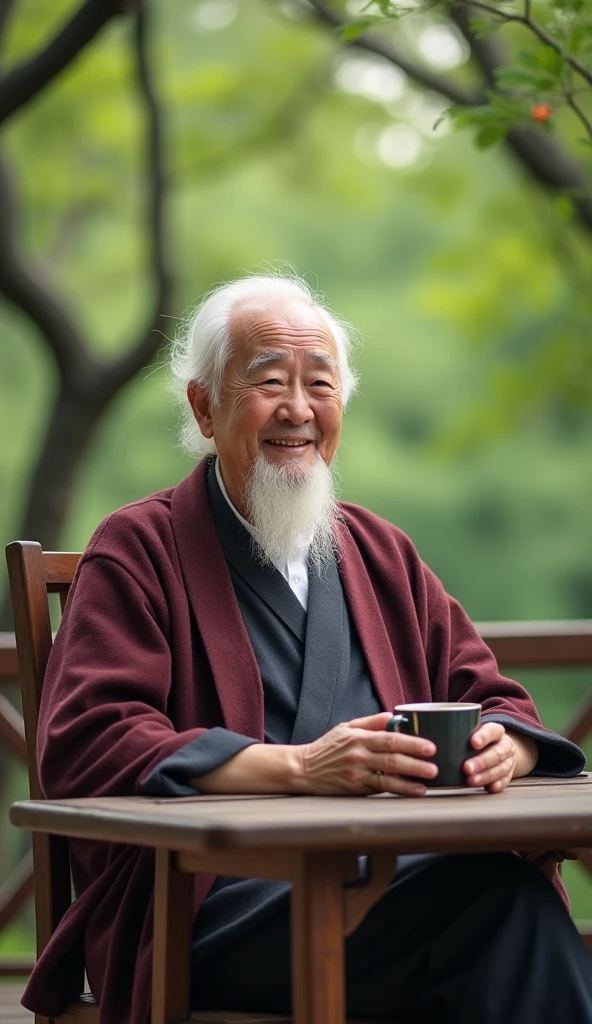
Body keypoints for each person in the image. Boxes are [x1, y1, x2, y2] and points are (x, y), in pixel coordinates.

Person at [23, 273, 591, 1024]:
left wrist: (502, 749)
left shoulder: (381, 551)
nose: (299, 409)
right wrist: (298, 768)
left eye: (319, 384)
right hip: (208, 904)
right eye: (269, 383)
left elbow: (496, 698)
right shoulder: (139, 548)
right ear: (203, 405)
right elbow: (88, 739)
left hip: (394, 883)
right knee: (500, 913)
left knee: (499, 912)